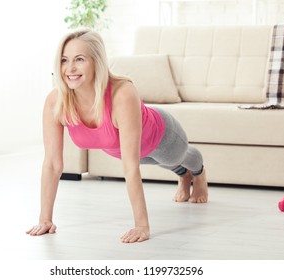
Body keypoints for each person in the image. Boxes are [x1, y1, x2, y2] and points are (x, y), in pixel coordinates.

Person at [26, 29, 208, 243]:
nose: (70, 68)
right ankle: (183, 176)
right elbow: (52, 164)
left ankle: (198, 173)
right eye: (64, 60)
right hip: (124, 150)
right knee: (163, 164)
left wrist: (141, 226)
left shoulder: (122, 93)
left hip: (162, 136)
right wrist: (45, 219)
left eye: (80, 59)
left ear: (97, 62)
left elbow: (130, 169)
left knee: (177, 158)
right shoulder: (56, 101)